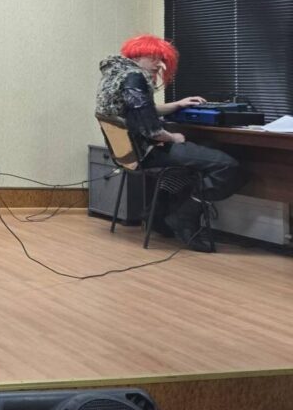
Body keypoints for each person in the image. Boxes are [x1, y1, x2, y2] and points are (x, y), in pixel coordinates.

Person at [96, 34, 244, 252]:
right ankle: (184, 218)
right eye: (153, 57)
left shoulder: (116, 74)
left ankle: (156, 214)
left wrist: (178, 104)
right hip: (148, 152)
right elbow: (151, 130)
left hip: (130, 154)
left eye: (161, 58)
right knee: (228, 166)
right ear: (137, 55)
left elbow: (139, 109)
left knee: (207, 151)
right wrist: (174, 138)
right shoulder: (134, 77)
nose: (159, 64)